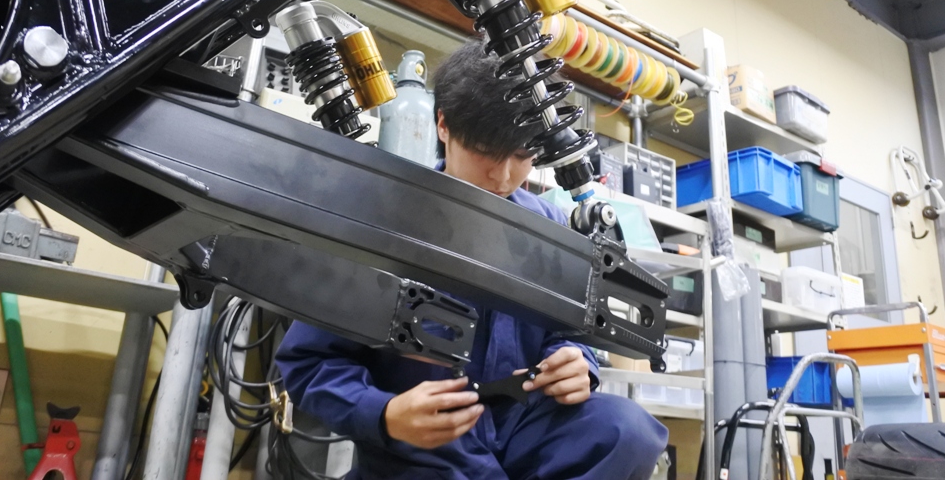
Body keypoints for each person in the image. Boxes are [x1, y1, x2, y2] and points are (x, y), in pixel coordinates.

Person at [276, 39, 668, 479]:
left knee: (627, 432)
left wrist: (577, 360)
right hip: (425, 449)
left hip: (521, 426)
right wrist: (384, 414)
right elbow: (308, 363)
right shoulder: (381, 218)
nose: (503, 176)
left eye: (522, 155)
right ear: (444, 125)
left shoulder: (549, 224)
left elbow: (567, 332)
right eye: (484, 149)